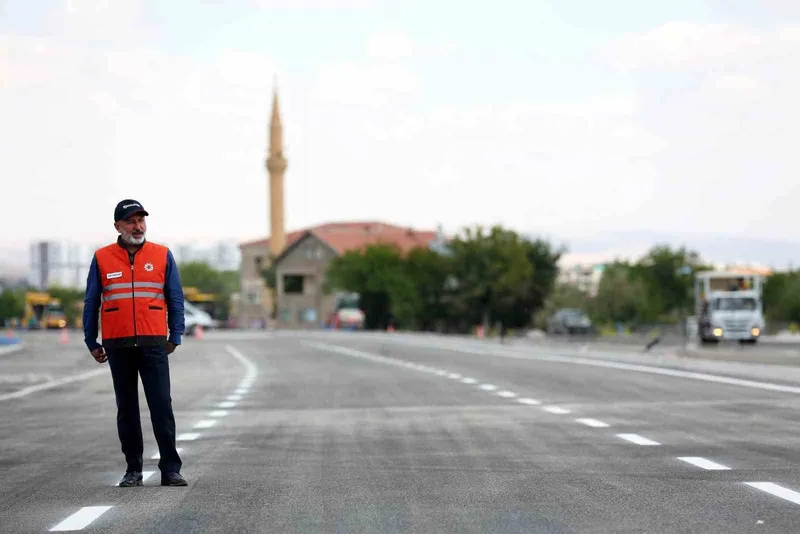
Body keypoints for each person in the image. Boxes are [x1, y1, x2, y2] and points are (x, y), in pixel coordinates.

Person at [83, 199, 188, 487]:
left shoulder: (162, 255)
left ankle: (171, 469)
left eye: (141, 220)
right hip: (117, 344)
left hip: (153, 342)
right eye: (130, 221)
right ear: (118, 226)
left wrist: (175, 334)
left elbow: (175, 298)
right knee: (126, 409)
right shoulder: (102, 258)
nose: (137, 226)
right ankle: (133, 470)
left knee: (161, 406)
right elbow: (91, 301)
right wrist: (90, 339)